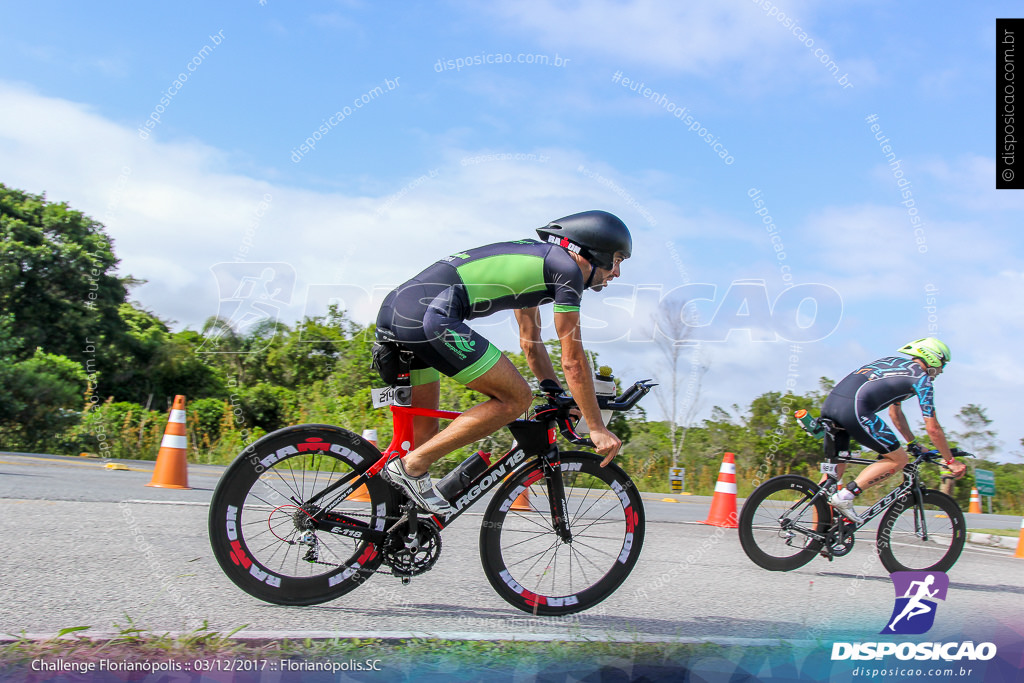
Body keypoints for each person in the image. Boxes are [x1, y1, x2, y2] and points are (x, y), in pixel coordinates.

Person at [374, 210, 632, 514]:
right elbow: (573, 360)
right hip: (428, 316)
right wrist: (596, 426)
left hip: (400, 308)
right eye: (616, 260)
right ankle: (412, 467)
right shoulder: (567, 271)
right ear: (595, 250)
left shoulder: (541, 262)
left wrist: (554, 392)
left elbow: (531, 343)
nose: (616, 273)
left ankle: (388, 526)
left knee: (425, 436)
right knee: (516, 398)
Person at [821, 337, 967, 522]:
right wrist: (950, 461)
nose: (942, 370)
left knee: (828, 483)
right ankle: (846, 496)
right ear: (933, 358)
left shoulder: (896, 365)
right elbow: (933, 429)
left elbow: (895, 414)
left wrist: (913, 443)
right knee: (898, 459)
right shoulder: (921, 380)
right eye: (942, 364)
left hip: (830, 406)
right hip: (854, 410)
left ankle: (816, 536)